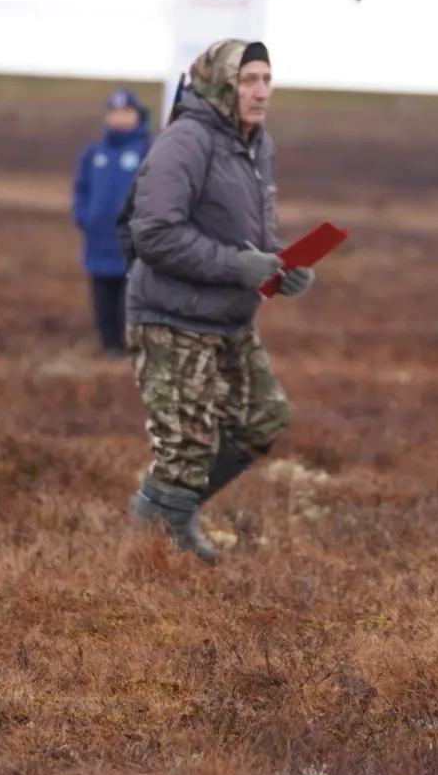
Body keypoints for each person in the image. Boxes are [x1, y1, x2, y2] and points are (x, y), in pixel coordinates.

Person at [121, 39, 310, 564]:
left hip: (228, 317)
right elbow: (153, 234)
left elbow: (254, 238)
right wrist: (235, 266)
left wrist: (282, 266)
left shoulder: (257, 146)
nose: (261, 91)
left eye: (267, 79)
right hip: (170, 317)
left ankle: (166, 516)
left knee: (263, 418)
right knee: (186, 447)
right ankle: (152, 553)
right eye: (248, 79)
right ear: (220, 83)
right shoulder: (185, 141)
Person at [73, 88, 153, 358]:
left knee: (132, 298)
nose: (119, 118)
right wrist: (85, 217)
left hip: (133, 245)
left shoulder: (147, 151)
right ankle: (110, 346)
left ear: (137, 116)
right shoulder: (93, 154)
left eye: (125, 112)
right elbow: (81, 190)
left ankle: (135, 347)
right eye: (114, 113)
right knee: (103, 298)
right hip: (98, 242)